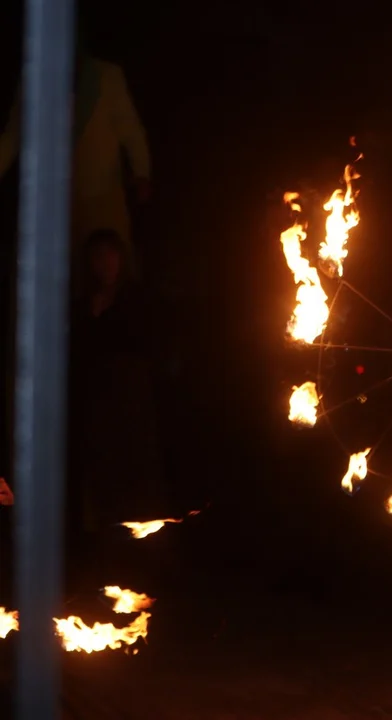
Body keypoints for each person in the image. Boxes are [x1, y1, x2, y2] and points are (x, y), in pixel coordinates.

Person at [0, 26, 151, 280]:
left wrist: (142, 172)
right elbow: (13, 137)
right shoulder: (34, 83)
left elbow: (131, 132)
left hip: (101, 209)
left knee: (105, 284)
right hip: (50, 210)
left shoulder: (106, 78)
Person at [67, 228, 166, 591]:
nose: (103, 264)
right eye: (97, 257)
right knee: (102, 481)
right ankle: (106, 567)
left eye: (109, 255)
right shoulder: (82, 304)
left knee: (135, 478)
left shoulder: (135, 299)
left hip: (129, 399)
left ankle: (143, 566)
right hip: (96, 403)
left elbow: (143, 345)